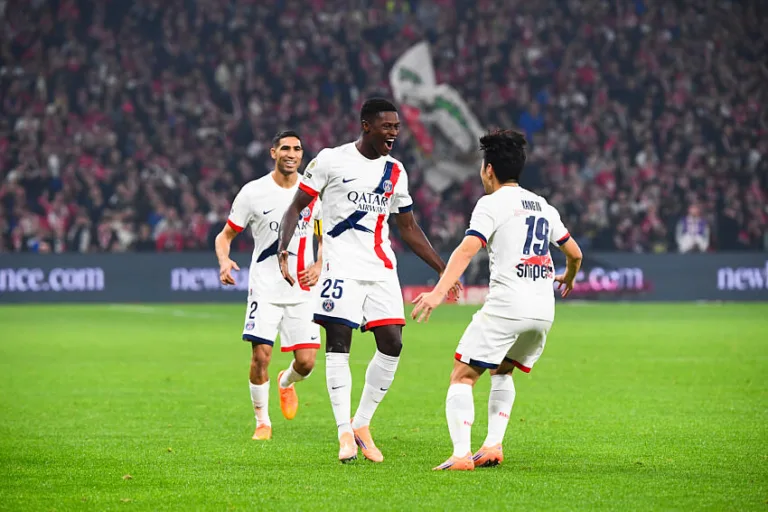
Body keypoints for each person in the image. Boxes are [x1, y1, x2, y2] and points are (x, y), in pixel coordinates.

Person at [277, 98, 460, 463]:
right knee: (338, 344)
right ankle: (343, 433)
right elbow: (296, 207)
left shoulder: (395, 171)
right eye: (386, 126)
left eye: (396, 127)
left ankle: (361, 424)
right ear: (366, 126)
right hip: (340, 267)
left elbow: (408, 227)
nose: (394, 132)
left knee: (393, 343)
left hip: (380, 269)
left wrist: (443, 268)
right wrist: (284, 249)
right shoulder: (331, 160)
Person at [411, 129, 583, 471]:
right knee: (503, 370)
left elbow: (467, 248)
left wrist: (437, 292)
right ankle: (492, 445)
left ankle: (461, 455)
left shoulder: (490, 204)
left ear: (488, 169)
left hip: (508, 306)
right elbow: (575, 253)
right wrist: (569, 277)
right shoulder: (542, 205)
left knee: (462, 376)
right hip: (542, 311)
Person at [215, 130, 324, 441]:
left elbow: (323, 235)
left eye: (297, 149)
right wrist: (224, 260)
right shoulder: (253, 193)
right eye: (285, 148)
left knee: (306, 363)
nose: (292, 154)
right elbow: (225, 235)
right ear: (273, 152)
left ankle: (285, 382)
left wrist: (319, 264)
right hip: (264, 287)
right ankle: (262, 422)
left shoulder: (313, 192)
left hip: (302, 289)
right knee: (261, 356)